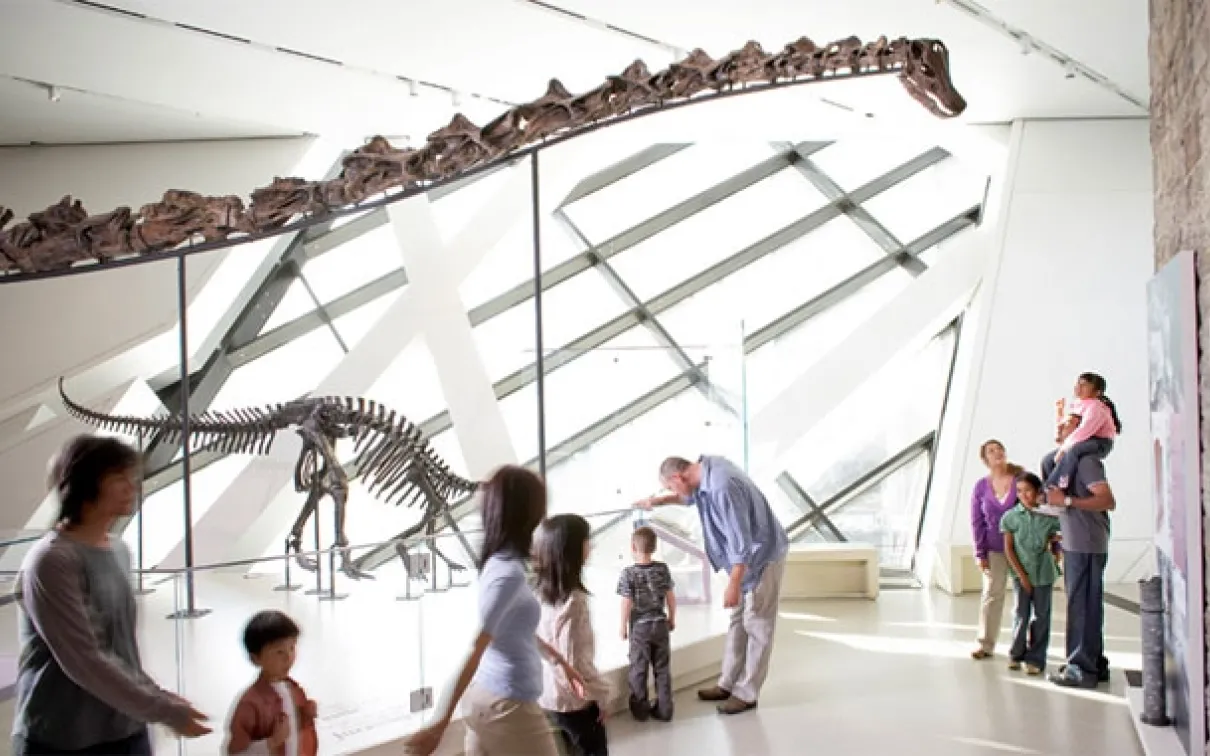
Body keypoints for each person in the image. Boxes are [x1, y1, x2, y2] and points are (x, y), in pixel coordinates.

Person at [11, 434, 211, 756]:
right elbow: (84, 658)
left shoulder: (119, 549)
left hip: (126, 730)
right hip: (62, 739)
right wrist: (162, 709)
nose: (132, 487)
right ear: (85, 484)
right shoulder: (52, 560)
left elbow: (119, 648)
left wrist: (157, 698)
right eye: (119, 478)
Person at [404, 465, 586, 756]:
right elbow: (475, 648)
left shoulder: (501, 563)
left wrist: (558, 660)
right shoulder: (508, 575)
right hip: (508, 709)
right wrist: (437, 726)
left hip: (491, 702)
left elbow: (509, 629)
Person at [636, 455, 788, 716]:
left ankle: (747, 693)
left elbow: (742, 541)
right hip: (743, 560)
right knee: (738, 620)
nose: (673, 493)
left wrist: (733, 584)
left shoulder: (722, 487)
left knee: (758, 624)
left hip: (760, 557)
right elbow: (690, 497)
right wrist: (659, 501)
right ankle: (727, 684)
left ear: (678, 477)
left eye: (670, 488)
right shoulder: (705, 470)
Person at [1045, 415, 1117, 688]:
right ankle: (1094, 663)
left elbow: (1107, 501)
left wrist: (1065, 500)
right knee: (1086, 604)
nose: (1061, 425)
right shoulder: (1066, 462)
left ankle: (1081, 669)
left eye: (1069, 422)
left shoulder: (1086, 462)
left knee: (1082, 605)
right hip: (1077, 542)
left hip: (1086, 544)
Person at [534, 514, 611, 756]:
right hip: (575, 701)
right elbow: (574, 661)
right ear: (573, 549)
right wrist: (600, 695)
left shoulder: (539, 594)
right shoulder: (575, 602)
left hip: (549, 695)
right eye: (587, 540)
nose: (591, 545)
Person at [224, 610, 318, 755]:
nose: (288, 657)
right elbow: (235, 753)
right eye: (279, 652)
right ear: (255, 658)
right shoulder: (250, 704)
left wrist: (305, 716)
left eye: (292, 648)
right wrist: (273, 742)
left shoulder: (295, 690)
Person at [1000, 473, 1062, 676]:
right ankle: (1016, 654)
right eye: (1019, 491)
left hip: (1043, 574)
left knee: (1042, 616)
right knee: (1021, 614)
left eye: (1028, 490)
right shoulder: (1011, 517)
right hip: (1021, 574)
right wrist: (1022, 576)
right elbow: (1009, 549)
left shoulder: (1048, 516)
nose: (1024, 495)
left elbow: (1059, 537)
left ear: (1037, 492)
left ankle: (1036, 658)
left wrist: (1056, 553)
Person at [968, 439, 1023, 660]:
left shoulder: (1021, 479)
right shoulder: (981, 486)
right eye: (992, 451)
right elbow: (976, 521)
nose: (997, 452)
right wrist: (980, 552)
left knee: (1026, 595)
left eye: (1000, 448)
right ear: (985, 460)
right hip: (994, 548)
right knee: (992, 594)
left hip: (1021, 546)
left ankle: (1023, 647)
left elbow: (1035, 509)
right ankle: (985, 643)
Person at [617, 526, 676, 723]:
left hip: (640, 628)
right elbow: (670, 597)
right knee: (662, 668)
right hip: (660, 623)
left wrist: (622, 626)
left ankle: (640, 710)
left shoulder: (628, 573)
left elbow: (626, 602)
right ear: (654, 547)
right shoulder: (663, 569)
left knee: (639, 668)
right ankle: (665, 709)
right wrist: (672, 618)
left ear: (633, 547)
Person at [1042, 372, 1122, 493]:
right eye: (1078, 384)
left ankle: (1055, 486)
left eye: (1084, 385)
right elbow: (1066, 428)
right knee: (1048, 460)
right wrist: (1059, 413)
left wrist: (1064, 449)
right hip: (1082, 440)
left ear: (1097, 392)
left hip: (1100, 442)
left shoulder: (1096, 407)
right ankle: (1050, 488)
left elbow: (1084, 430)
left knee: (1073, 451)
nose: (1078, 387)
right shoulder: (1078, 404)